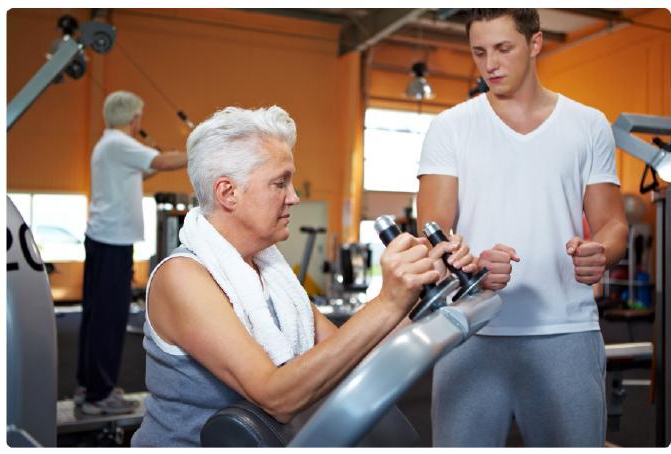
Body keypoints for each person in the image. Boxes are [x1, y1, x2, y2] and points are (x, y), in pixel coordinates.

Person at [130, 105, 477, 447]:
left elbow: (350, 357)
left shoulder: (270, 269)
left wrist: (430, 284)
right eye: (280, 183)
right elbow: (276, 397)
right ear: (227, 193)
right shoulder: (183, 278)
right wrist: (387, 301)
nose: (294, 197)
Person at [416, 9, 629, 447]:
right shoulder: (450, 127)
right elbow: (432, 234)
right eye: (479, 52)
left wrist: (601, 252)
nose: (489, 64)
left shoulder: (587, 124)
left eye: (502, 48)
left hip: (566, 332)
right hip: (468, 330)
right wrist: (471, 268)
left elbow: (613, 223)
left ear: (535, 43)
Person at [76, 90, 188, 415]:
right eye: (140, 116)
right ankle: (101, 395)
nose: (141, 122)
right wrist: (197, 149)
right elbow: (163, 162)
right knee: (109, 319)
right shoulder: (119, 143)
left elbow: (147, 168)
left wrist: (160, 157)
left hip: (103, 239)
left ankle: (90, 386)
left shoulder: (109, 144)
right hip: (113, 243)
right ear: (133, 118)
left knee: (97, 316)